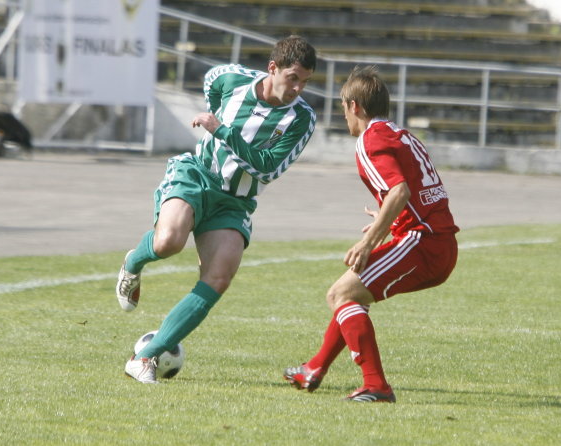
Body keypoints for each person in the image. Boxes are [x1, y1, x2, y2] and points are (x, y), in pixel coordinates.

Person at [117, 35, 317, 384]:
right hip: (197, 174)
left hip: (234, 202)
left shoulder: (301, 118)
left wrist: (222, 130)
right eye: (293, 78)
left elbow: (268, 167)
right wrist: (216, 123)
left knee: (218, 278)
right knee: (168, 243)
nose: (298, 88)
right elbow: (212, 80)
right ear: (273, 69)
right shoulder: (234, 79)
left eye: (305, 81)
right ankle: (133, 262)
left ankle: (144, 358)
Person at [283, 66, 459, 402]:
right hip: (436, 241)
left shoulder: (370, 139)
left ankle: (376, 386)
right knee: (352, 295)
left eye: (343, 108)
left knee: (340, 295)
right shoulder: (401, 134)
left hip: (424, 243)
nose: (344, 116)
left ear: (354, 107)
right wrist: (388, 220)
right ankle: (314, 368)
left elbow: (400, 192)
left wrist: (369, 242)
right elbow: (419, 193)